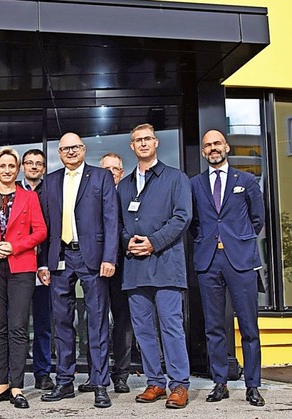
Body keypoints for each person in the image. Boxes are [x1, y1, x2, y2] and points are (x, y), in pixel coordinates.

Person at [37, 132, 119, 409]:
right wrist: (42, 262)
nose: (70, 152)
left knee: (96, 321)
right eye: (65, 148)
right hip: (59, 258)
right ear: (59, 153)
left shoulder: (100, 177)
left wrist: (110, 257)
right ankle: (64, 381)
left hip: (93, 259)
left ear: (83, 149)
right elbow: (44, 227)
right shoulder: (50, 182)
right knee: (61, 323)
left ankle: (99, 383)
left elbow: (111, 220)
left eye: (75, 147)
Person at [117, 123, 192, 409]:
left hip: (165, 264)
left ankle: (179, 385)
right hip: (135, 266)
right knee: (143, 329)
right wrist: (129, 242)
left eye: (148, 139)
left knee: (171, 326)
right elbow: (120, 224)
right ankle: (155, 382)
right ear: (132, 147)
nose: (144, 143)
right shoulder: (123, 186)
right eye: (138, 140)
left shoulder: (176, 178)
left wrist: (153, 242)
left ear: (156, 143)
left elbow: (182, 218)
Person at [190, 129, 266, 407]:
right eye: (208, 145)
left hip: (241, 261)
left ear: (226, 146)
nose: (213, 148)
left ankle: (253, 385)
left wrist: (238, 241)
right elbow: (194, 222)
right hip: (209, 260)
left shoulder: (245, 180)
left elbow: (257, 219)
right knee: (214, 327)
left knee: (248, 326)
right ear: (203, 151)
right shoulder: (195, 183)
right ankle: (219, 382)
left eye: (217, 143)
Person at [0, 147, 47, 409]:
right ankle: (1, 384)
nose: (7, 170)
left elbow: (40, 232)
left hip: (21, 267)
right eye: (2, 166)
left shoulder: (29, 198)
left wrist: (15, 247)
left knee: (17, 327)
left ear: (18, 169)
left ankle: (17, 387)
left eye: (11, 166)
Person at [79, 153, 133, 394]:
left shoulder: (129, 193)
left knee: (122, 322)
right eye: (106, 169)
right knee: (95, 321)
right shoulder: (92, 192)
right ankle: (95, 374)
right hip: (95, 265)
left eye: (116, 169)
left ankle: (121, 375)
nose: (111, 173)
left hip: (124, 266)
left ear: (122, 172)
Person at [19, 149, 54, 390]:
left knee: (43, 324)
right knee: (16, 324)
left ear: (43, 168)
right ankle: (15, 374)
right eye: (29, 163)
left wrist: (45, 264)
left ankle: (42, 373)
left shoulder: (51, 192)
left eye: (38, 164)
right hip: (16, 266)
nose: (33, 167)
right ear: (22, 166)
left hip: (44, 268)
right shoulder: (11, 191)